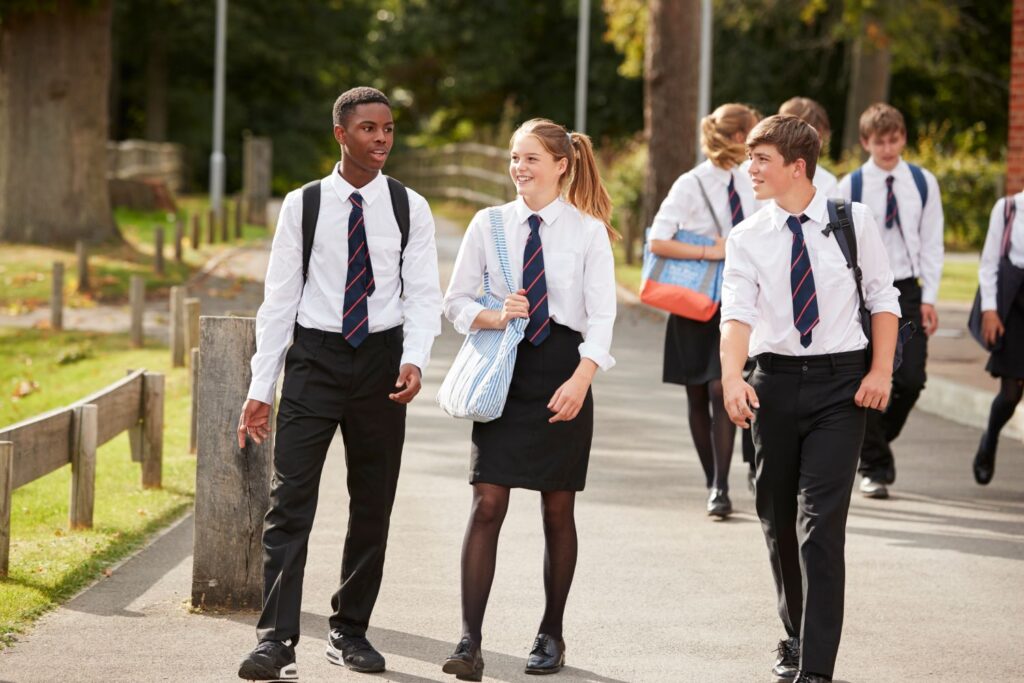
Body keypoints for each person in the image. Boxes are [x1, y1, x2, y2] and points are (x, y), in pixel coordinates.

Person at [235, 86, 442, 681]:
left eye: (389, 129)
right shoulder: (303, 205)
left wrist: (415, 358)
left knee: (372, 504)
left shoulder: (410, 208)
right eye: (370, 129)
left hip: (381, 363)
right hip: (315, 360)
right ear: (341, 134)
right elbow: (279, 300)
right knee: (289, 503)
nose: (382, 139)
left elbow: (423, 294)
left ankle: (350, 631)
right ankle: (276, 641)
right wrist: (260, 385)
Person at [721, 114, 900, 682]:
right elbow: (737, 316)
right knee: (777, 519)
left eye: (761, 159)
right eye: (750, 158)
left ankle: (817, 669)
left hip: (839, 388)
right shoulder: (748, 236)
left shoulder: (854, 221)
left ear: (796, 167)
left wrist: (881, 372)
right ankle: (796, 635)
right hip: (770, 385)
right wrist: (732, 378)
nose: (750, 168)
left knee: (820, 526)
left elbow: (883, 298)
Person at [440, 118, 617, 681]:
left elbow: (603, 316)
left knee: (557, 507)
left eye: (531, 159)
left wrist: (582, 378)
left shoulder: (588, 231)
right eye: (514, 158)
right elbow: (457, 302)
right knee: (487, 501)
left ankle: (552, 633)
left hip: (565, 372)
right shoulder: (488, 223)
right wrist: (496, 314)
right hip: (505, 370)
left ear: (562, 164)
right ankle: (469, 641)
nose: (519, 169)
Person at [649, 103, 759, 518]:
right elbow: (658, 241)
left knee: (721, 386)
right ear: (736, 137)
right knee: (698, 392)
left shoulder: (754, 180)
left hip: (741, 299)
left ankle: (722, 483)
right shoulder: (690, 184)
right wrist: (710, 250)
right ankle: (714, 478)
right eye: (751, 134)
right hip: (696, 302)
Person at [838, 102, 944, 500]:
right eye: (879, 141)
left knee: (912, 378)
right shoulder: (851, 186)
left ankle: (875, 440)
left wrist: (930, 296)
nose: (888, 148)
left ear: (903, 138)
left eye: (894, 139)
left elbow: (932, 241)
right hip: (864, 290)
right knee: (866, 373)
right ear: (866, 142)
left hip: (908, 288)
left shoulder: (921, 182)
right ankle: (875, 467)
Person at [973, 191, 1024, 484]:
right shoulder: (1008, 209)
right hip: (1014, 305)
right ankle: (989, 440)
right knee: (1010, 393)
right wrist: (990, 310)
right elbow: (989, 262)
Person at [778, 97, 840, 199]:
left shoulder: (828, 182)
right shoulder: (756, 172)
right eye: (807, 137)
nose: (815, 144)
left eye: (819, 138)